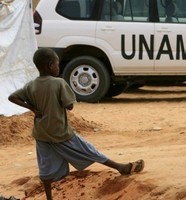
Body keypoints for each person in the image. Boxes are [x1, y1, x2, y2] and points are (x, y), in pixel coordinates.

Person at [8, 48, 145, 200]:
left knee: (45, 168)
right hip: (60, 131)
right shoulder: (58, 83)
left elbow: (12, 97)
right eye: (57, 64)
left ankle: (49, 198)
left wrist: (32, 108)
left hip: (41, 133)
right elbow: (69, 106)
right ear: (49, 65)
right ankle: (121, 167)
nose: (58, 67)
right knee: (89, 150)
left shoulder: (31, 85)